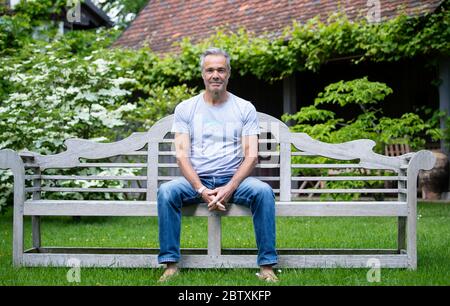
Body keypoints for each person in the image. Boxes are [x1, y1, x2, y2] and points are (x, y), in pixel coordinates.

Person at [157, 47, 278, 282]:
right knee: (166, 192)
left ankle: (267, 265)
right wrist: (201, 189)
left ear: (228, 74)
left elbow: (251, 155)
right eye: (210, 70)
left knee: (263, 192)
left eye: (221, 70)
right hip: (196, 181)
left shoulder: (244, 108)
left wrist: (229, 187)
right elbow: (182, 156)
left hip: (233, 180)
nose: (215, 75)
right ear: (202, 74)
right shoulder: (185, 109)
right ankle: (170, 264)